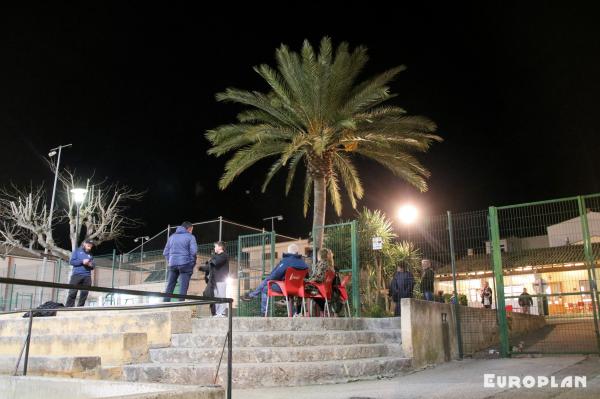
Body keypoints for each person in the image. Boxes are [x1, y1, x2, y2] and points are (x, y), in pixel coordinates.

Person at [240, 243, 308, 314]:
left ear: (288, 252)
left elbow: (275, 276)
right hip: (299, 289)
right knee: (268, 280)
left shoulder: (286, 261)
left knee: (265, 287)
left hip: (286, 288)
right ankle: (295, 313)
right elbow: (306, 276)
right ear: (297, 252)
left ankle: (263, 311)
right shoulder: (304, 264)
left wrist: (270, 278)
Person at [163, 221, 198, 301]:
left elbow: (165, 252)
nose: (192, 231)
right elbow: (194, 252)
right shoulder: (190, 237)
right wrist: (191, 264)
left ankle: (165, 303)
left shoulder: (172, 237)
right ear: (189, 229)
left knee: (170, 285)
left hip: (173, 265)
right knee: (183, 285)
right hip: (185, 264)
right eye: (192, 229)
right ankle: (180, 304)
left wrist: (171, 261)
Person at [199, 241, 229, 317]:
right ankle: (217, 313)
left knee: (221, 296)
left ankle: (222, 313)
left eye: (215, 246)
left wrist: (212, 257)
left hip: (221, 279)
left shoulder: (224, 255)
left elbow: (216, 262)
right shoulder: (216, 256)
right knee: (216, 296)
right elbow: (210, 266)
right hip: (214, 280)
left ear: (220, 247)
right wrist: (201, 268)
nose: (214, 248)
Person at [304, 248, 334, 316]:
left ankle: (305, 312)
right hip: (325, 288)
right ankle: (322, 311)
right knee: (308, 288)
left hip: (319, 288)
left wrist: (307, 281)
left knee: (304, 288)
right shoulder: (329, 265)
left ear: (320, 255)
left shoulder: (322, 264)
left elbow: (318, 278)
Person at [66, 239, 95, 307]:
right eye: (88, 244)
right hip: (76, 275)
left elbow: (93, 266)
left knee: (84, 293)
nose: (90, 246)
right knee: (72, 292)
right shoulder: (77, 251)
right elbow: (72, 262)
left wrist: (89, 264)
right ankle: (68, 307)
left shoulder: (90, 255)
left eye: (91, 245)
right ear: (84, 244)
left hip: (87, 276)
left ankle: (80, 307)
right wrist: (82, 261)